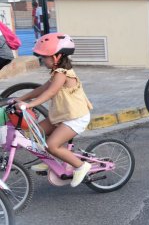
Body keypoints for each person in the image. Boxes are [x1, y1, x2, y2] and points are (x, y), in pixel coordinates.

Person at [16, 33, 93, 187]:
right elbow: (43, 88)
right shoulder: (56, 73)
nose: (43, 60)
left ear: (57, 57)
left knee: (52, 145)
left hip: (75, 118)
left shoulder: (62, 73)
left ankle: (81, 166)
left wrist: (30, 105)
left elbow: (50, 93)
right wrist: (21, 98)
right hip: (62, 115)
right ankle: (52, 160)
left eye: (45, 57)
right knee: (36, 132)